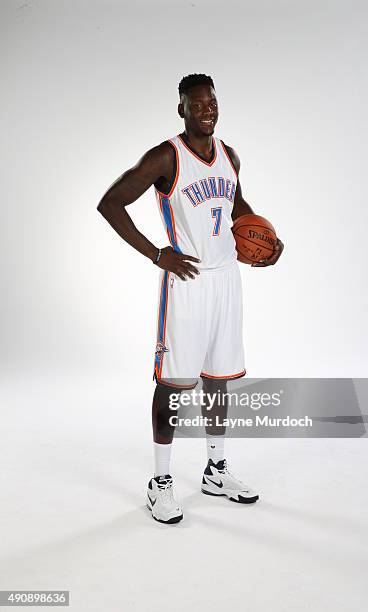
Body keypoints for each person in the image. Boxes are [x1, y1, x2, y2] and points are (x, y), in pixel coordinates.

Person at [97, 74, 284, 524]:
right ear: (181, 108)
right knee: (174, 385)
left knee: (219, 379)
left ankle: (216, 470)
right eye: (197, 103)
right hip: (187, 283)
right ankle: (160, 482)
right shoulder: (167, 156)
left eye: (212, 102)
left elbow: (238, 206)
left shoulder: (229, 155)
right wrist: (157, 253)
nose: (207, 110)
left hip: (227, 281)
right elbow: (111, 203)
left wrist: (269, 241)